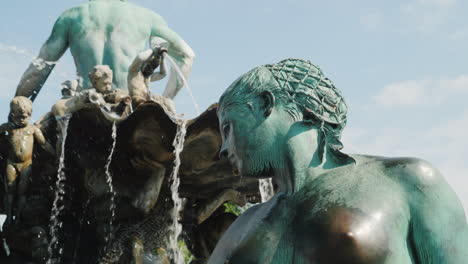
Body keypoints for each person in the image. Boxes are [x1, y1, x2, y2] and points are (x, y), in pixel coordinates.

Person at [209, 59, 468, 263]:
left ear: (266, 103)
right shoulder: (243, 227)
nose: (222, 149)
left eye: (228, 128)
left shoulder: (407, 180)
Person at [15, 0, 195, 101]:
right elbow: (187, 56)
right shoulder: (148, 18)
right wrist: (167, 99)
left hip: (86, 104)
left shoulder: (71, 17)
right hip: (130, 103)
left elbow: (38, 70)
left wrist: (19, 105)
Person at [0, 97, 54, 225]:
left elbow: (44, 144)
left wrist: (56, 153)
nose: (22, 119)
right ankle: (9, 216)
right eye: (19, 116)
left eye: (25, 116)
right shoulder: (7, 127)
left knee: (22, 191)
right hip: (11, 163)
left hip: (26, 164)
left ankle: (18, 217)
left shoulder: (32, 129)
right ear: (12, 114)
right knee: (10, 189)